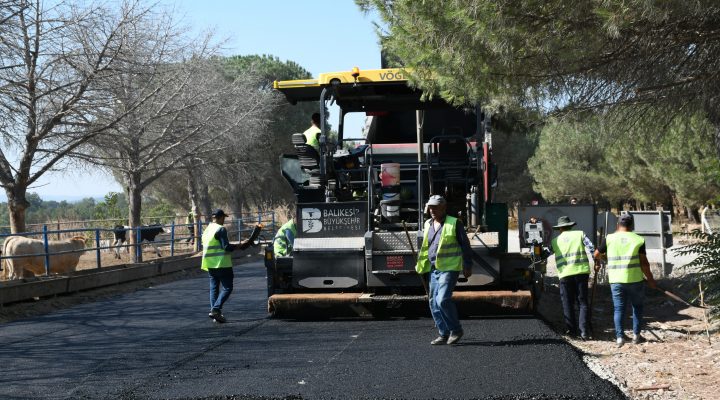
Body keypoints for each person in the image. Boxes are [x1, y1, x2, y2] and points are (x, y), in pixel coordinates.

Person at [416, 195, 473, 345]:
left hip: (449, 268)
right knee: (433, 302)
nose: (432, 210)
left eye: (435, 207)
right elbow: (426, 247)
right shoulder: (428, 223)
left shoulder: (454, 223)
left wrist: (467, 265)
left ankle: (456, 330)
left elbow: (465, 246)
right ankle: (443, 333)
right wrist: (421, 265)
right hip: (433, 268)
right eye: (430, 207)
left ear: (443, 208)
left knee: (442, 300)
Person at [594, 214, 657, 347]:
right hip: (635, 279)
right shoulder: (638, 239)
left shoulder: (609, 238)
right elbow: (644, 263)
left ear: (618, 224)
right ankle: (636, 336)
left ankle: (619, 338)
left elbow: (596, 254)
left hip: (616, 280)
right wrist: (650, 279)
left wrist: (604, 259)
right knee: (637, 307)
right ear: (632, 225)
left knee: (619, 309)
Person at [202, 208, 250, 323]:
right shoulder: (221, 229)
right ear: (219, 217)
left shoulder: (207, 229)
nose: (224, 220)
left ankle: (215, 313)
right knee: (228, 287)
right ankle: (216, 309)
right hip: (222, 263)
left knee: (214, 289)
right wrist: (239, 246)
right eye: (224, 217)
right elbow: (226, 247)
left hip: (210, 264)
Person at [550, 216, 595, 340]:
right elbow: (591, 247)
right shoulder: (580, 234)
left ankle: (571, 331)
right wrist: (596, 261)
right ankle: (584, 331)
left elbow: (545, 253)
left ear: (559, 228)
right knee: (582, 302)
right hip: (581, 272)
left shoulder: (555, 241)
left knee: (567, 303)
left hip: (565, 274)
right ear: (570, 226)